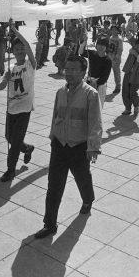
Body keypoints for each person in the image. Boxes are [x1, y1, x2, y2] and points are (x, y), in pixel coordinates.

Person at [34, 54, 102, 239]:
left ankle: (88, 199)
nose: (69, 73)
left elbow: (95, 122)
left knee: (82, 178)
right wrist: (52, 136)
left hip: (79, 147)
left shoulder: (90, 94)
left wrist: (93, 146)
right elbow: (56, 116)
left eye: (74, 70)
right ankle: (49, 224)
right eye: (67, 69)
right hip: (59, 146)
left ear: (83, 72)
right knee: (54, 186)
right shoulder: (60, 92)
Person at [0, 23, 36, 182]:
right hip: (11, 108)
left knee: (14, 144)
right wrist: (5, 80)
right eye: (17, 49)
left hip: (24, 109)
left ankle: (10, 170)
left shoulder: (30, 65)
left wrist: (14, 31)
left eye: (22, 49)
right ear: (12, 51)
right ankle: (27, 148)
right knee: (9, 137)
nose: (20, 50)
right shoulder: (11, 67)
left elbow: (27, 44)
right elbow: (1, 87)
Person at [82, 37, 112, 108]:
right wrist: (84, 43)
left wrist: (95, 83)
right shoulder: (92, 53)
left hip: (100, 85)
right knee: (85, 104)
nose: (100, 47)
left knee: (97, 106)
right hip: (89, 81)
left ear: (106, 47)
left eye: (103, 45)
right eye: (99, 44)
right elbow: (81, 52)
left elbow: (105, 77)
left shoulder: (108, 60)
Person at [107, 25, 124, 94]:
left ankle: (118, 86)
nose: (114, 31)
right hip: (109, 57)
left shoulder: (119, 39)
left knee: (116, 73)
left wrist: (116, 57)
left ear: (118, 30)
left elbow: (120, 49)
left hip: (115, 59)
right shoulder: (111, 37)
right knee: (107, 71)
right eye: (112, 29)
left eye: (115, 30)